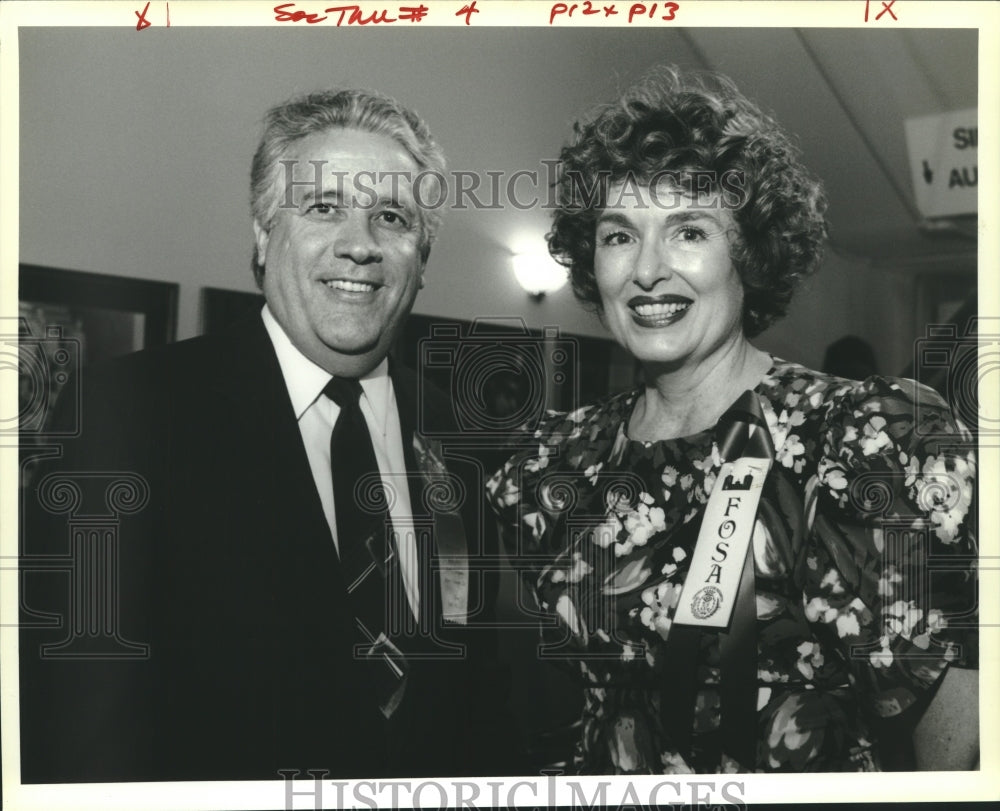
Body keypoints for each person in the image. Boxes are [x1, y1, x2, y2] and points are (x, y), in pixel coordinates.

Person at [487, 66, 979, 774]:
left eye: (688, 231)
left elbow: (956, 756)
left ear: (748, 253)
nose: (648, 271)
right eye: (620, 236)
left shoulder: (868, 440)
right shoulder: (552, 461)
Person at [20, 89, 515, 782]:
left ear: (422, 256)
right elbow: (72, 716)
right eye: (323, 207)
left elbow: (477, 699)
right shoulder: (130, 411)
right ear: (262, 234)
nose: (359, 245)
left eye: (392, 217)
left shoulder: (461, 439)